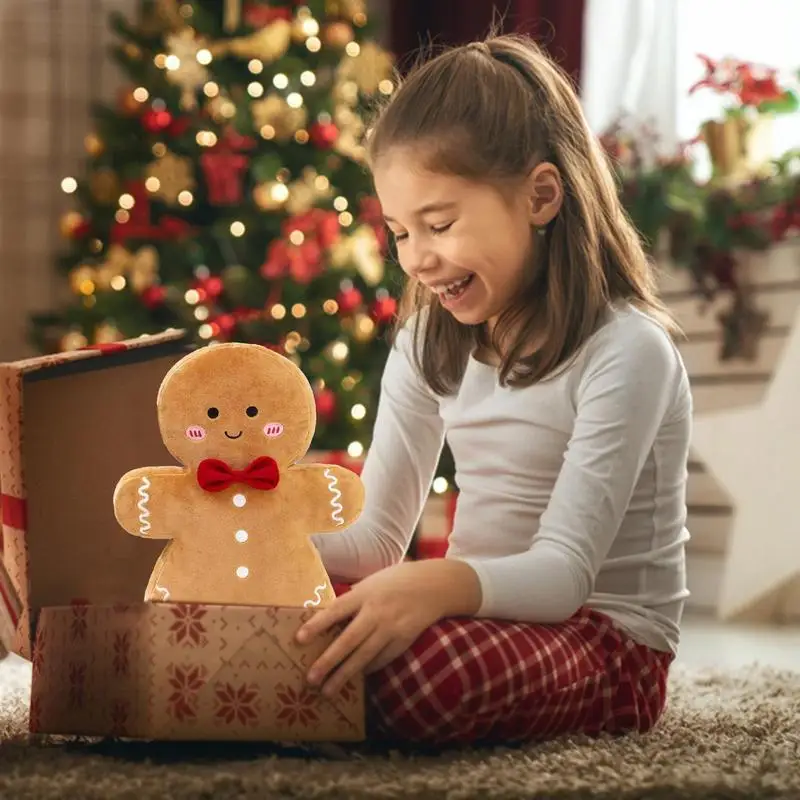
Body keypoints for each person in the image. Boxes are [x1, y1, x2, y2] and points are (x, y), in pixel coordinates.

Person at [295, 32, 693, 747]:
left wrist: (432, 586)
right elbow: (377, 542)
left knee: (413, 674)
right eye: (399, 232)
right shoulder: (425, 343)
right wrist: (250, 546)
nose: (417, 259)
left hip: (604, 643)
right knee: (293, 618)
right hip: (478, 612)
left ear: (541, 196)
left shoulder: (628, 348)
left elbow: (564, 576)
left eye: (439, 224)